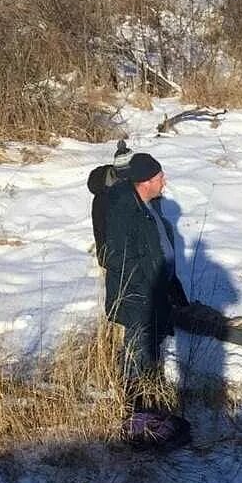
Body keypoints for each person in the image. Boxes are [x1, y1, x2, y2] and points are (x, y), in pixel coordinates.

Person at [103, 152, 189, 419]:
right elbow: (118, 256)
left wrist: (171, 285)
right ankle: (132, 405)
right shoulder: (125, 212)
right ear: (145, 182)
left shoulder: (149, 207)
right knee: (136, 347)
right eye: (159, 177)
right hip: (138, 294)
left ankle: (150, 396)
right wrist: (144, 286)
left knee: (151, 345)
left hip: (155, 290)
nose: (164, 181)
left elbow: (157, 250)